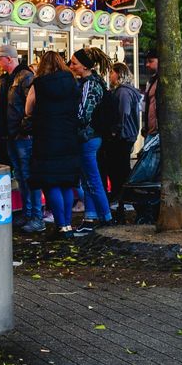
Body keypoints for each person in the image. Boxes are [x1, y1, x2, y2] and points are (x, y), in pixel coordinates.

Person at [24, 51, 82, 238]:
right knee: (66, 183)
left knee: (51, 184)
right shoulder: (72, 82)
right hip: (68, 138)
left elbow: (28, 108)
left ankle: (60, 225)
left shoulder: (39, 84)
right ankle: (67, 226)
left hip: (47, 138)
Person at [0, 44, 42, 233]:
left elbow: (33, 104)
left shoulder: (25, 77)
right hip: (12, 134)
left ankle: (36, 216)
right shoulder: (10, 79)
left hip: (21, 135)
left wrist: (25, 126)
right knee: (21, 176)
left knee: (29, 176)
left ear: (9, 59)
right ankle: (29, 214)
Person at [142, 50, 182, 190]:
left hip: (166, 134)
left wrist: (177, 116)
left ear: (161, 60)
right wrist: (145, 128)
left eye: (150, 61)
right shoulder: (151, 81)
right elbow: (148, 108)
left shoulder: (177, 77)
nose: (147, 64)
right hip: (153, 133)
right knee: (151, 172)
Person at [69, 47, 114, 233]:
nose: (71, 66)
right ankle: (91, 216)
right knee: (89, 179)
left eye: (74, 63)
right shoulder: (97, 82)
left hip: (87, 137)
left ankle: (105, 216)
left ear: (85, 66)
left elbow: (82, 114)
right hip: (92, 137)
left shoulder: (89, 85)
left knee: (92, 179)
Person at [103, 62, 142, 216]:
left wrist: (115, 131)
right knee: (122, 167)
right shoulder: (128, 91)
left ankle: (123, 197)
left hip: (122, 136)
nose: (110, 76)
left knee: (119, 168)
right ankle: (123, 196)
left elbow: (123, 113)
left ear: (118, 74)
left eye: (112, 72)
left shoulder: (122, 92)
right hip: (127, 135)